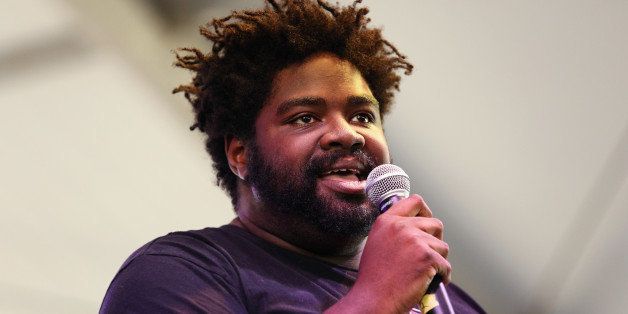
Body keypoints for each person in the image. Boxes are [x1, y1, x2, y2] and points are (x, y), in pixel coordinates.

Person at [100, 1, 485, 313]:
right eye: (305, 117)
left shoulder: (453, 301)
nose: (347, 134)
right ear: (241, 154)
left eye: (362, 116)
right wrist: (378, 298)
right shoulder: (178, 273)